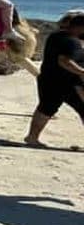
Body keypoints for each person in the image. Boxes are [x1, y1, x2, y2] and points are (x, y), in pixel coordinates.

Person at [24, 14, 84, 147]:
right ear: (79, 27)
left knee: (46, 108)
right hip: (67, 83)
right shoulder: (71, 41)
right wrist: (82, 72)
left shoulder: (56, 36)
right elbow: (64, 61)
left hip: (48, 79)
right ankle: (32, 138)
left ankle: (32, 137)